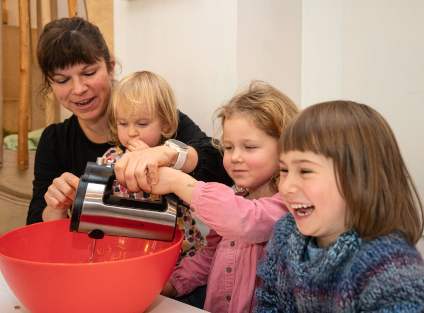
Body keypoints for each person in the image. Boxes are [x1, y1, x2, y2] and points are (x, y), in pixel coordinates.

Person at [26, 17, 231, 225]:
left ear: (110, 68)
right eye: (62, 80)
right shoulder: (55, 141)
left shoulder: (154, 117)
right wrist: (56, 206)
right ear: (50, 84)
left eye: (88, 73)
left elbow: (223, 166)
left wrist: (171, 154)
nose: (79, 89)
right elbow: (35, 228)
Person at [254, 100, 424, 312]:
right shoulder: (285, 234)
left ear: (361, 180)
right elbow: (269, 305)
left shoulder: (393, 274)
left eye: (305, 171)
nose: (287, 186)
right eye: (283, 170)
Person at [141, 81, 299, 313]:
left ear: (284, 148)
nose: (235, 157)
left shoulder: (286, 206)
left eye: (249, 147)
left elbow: (246, 220)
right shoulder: (238, 198)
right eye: (229, 147)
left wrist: (178, 181)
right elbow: (208, 256)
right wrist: (172, 285)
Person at [102, 71, 205, 262]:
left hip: (181, 254)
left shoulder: (172, 158)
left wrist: (157, 166)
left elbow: (192, 199)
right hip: (130, 252)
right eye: (123, 123)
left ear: (165, 125)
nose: (131, 132)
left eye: (142, 123)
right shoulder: (111, 158)